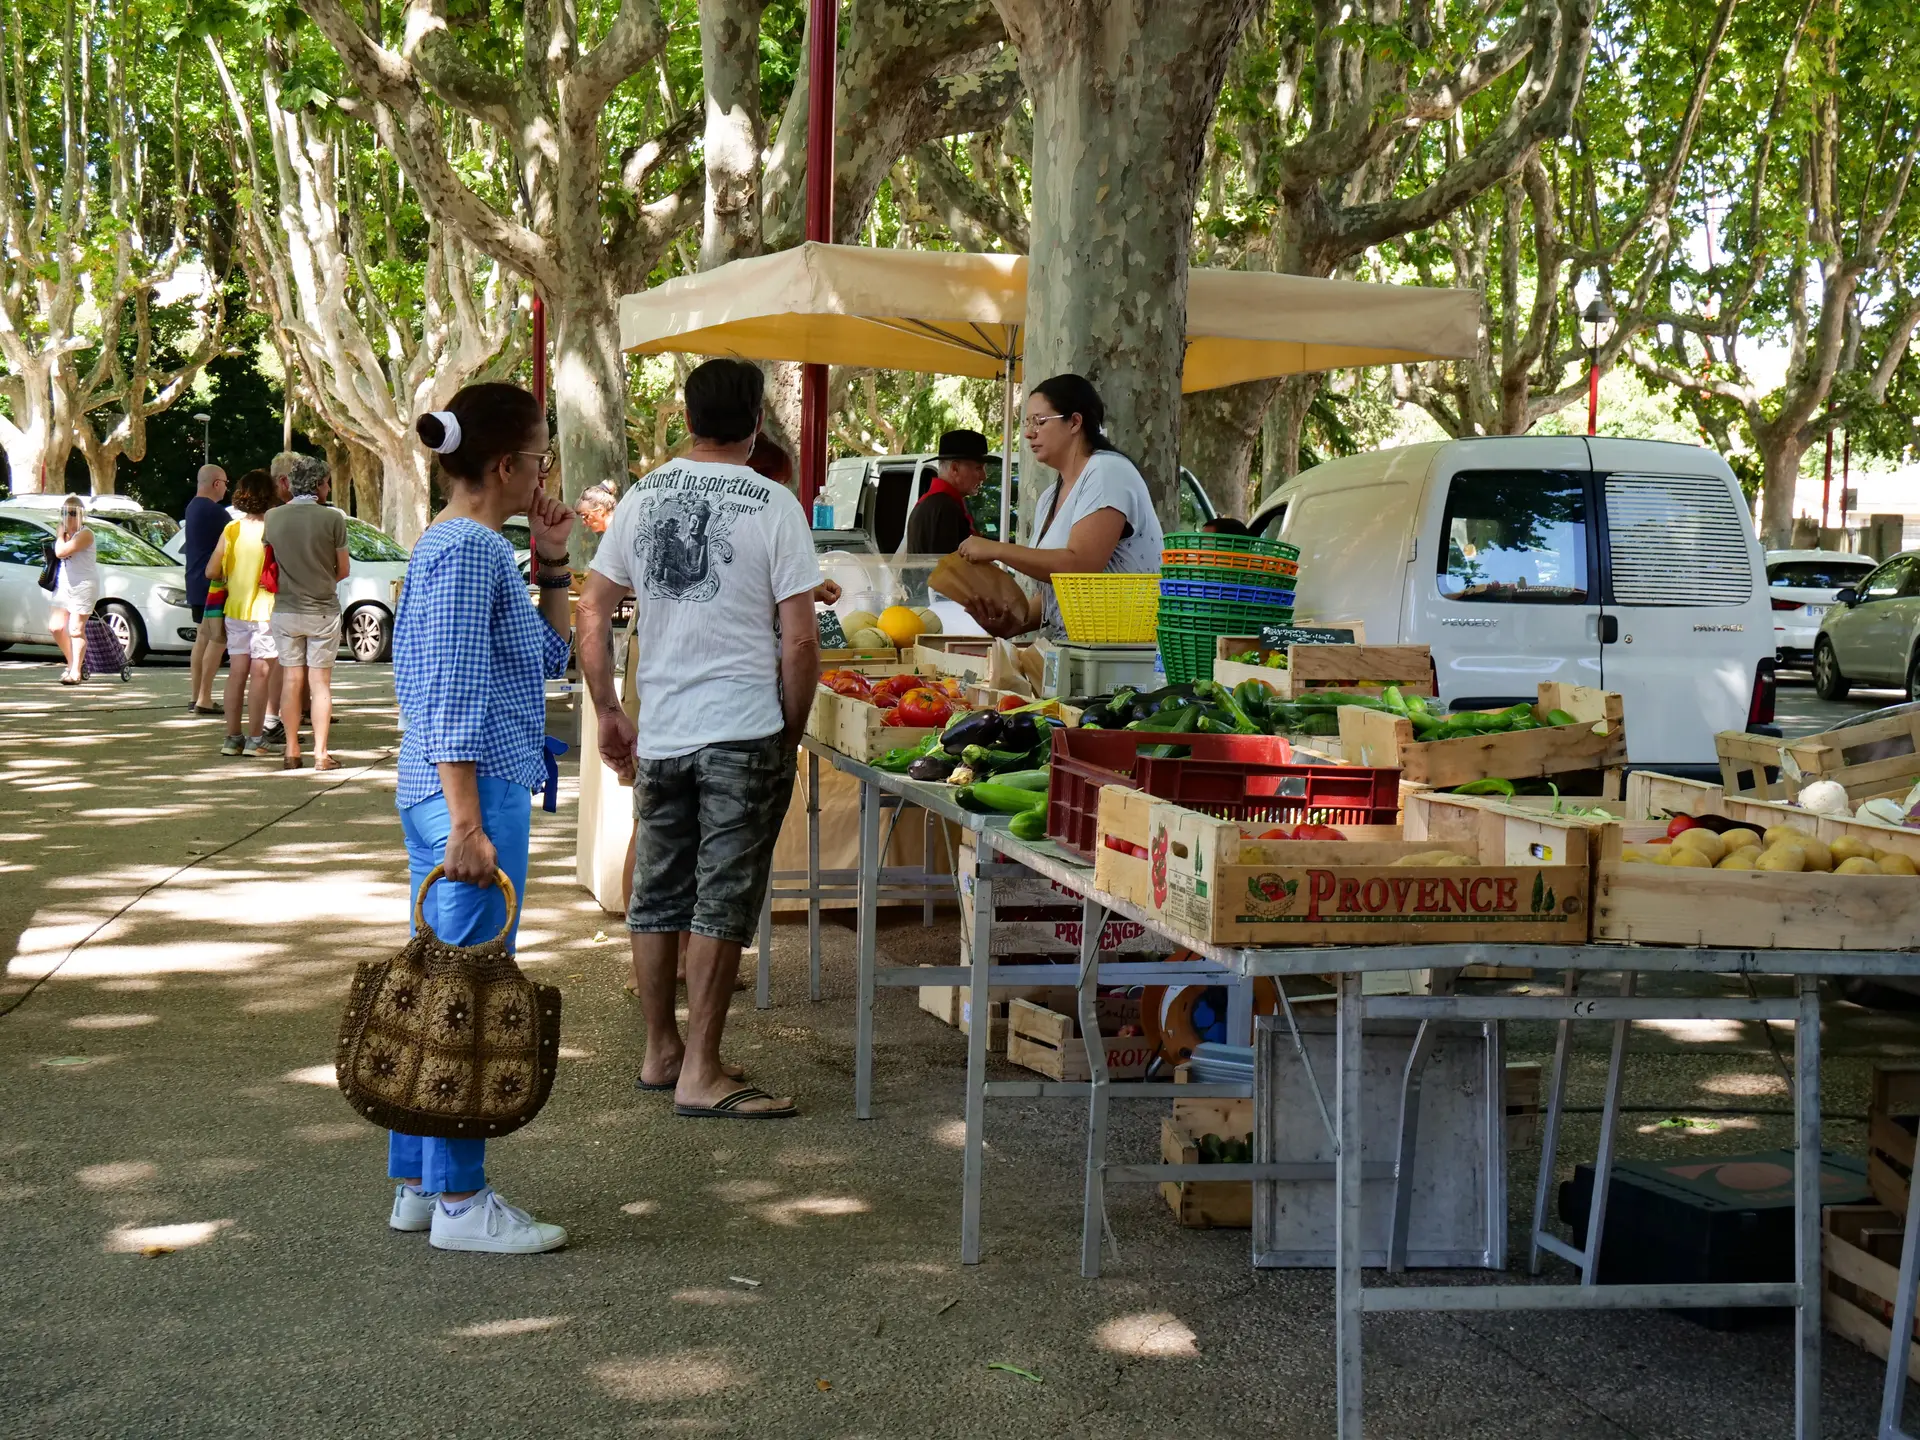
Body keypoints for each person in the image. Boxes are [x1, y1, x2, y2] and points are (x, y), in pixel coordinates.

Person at [576, 358, 821, 1121]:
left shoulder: (643, 497)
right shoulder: (775, 504)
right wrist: (791, 724)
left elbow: (591, 614)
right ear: (756, 421)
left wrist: (610, 710)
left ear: (686, 417)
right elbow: (801, 642)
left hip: (665, 730)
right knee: (721, 899)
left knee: (657, 893)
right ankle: (703, 1071)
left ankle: (662, 1052)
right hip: (743, 727)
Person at [388, 382, 575, 1254]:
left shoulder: (467, 546)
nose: (544, 472)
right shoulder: (467, 551)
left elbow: (547, 652)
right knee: (466, 993)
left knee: (440, 979)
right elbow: (458, 692)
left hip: (454, 788)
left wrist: (554, 563)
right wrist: (468, 823)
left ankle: (423, 1184)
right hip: (467, 793)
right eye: (538, 457)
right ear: (505, 464)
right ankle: (461, 1201)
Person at [956, 374, 1164, 640]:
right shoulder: (1049, 497)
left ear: (1075, 422)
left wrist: (996, 549)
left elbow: (1080, 565)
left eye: (1040, 421)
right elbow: (1059, 593)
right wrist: (1012, 622)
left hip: (1119, 651)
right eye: (1027, 423)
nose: (1030, 433)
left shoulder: (1106, 471)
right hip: (1072, 648)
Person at [264, 456, 351, 771]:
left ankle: (291, 751)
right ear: (317, 484)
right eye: (327, 482)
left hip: (285, 610)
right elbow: (343, 570)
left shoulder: (273, 518)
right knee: (320, 685)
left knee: (291, 679)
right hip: (322, 611)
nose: (328, 487)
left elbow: (270, 563)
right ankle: (320, 753)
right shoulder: (333, 519)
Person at [207, 471, 279, 756]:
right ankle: (255, 738)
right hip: (266, 610)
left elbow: (212, 570)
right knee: (261, 674)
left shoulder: (232, 530)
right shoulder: (273, 529)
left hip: (235, 609)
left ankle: (232, 737)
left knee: (237, 673)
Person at [182, 465, 229, 714]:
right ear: (216, 484)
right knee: (215, 639)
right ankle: (204, 698)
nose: (227, 488)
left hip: (195, 580)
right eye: (225, 482)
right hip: (212, 582)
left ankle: (196, 695)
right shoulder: (214, 511)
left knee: (202, 638)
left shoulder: (192, 507)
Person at [905, 429, 990, 554]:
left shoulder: (935, 502)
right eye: (979, 468)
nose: (984, 476)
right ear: (955, 468)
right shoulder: (944, 507)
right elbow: (948, 568)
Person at [47, 496, 97, 685]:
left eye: (74, 513)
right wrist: (62, 535)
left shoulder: (85, 534)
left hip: (83, 585)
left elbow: (61, 552)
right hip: (64, 585)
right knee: (56, 627)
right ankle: (74, 663)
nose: (69, 517)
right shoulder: (66, 535)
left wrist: (59, 535)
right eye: (66, 512)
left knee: (76, 629)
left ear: (81, 515)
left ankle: (75, 671)